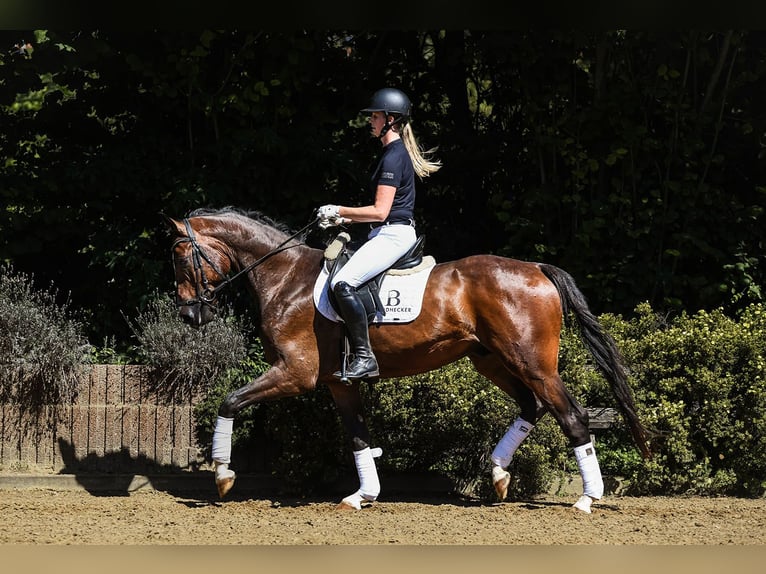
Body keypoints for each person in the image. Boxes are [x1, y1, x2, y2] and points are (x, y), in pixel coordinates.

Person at [317, 87, 441, 381]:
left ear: (390, 119)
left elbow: (380, 212)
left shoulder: (393, 157)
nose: (370, 121)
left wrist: (339, 211)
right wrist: (339, 218)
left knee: (343, 282)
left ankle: (364, 357)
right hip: (385, 234)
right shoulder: (392, 153)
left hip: (393, 234)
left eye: (374, 115)